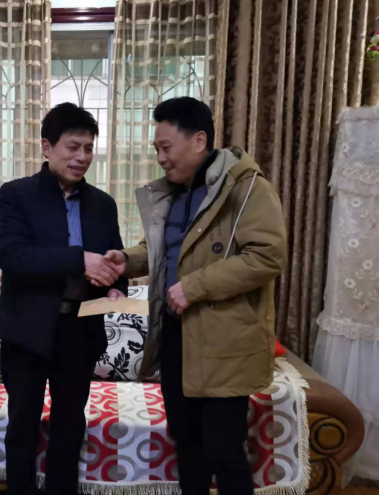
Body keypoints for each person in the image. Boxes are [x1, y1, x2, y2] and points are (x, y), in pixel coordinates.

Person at [103, 97, 288, 495]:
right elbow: (164, 250)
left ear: (199, 140)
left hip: (224, 342)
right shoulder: (176, 192)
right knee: (186, 443)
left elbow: (268, 256)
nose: (160, 159)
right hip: (176, 336)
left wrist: (195, 286)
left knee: (223, 450)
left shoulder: (247, 188)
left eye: (165, 147)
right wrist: (126, 260)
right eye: (156, 149)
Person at [0, 103, 128, 495]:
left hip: (79, 333)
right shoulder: (16, 195)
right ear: (47, 147)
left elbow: (114, 259)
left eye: (88, 148)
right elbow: (12, 256)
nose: (82, 157)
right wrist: (79, 259)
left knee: (69, 428)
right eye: (73, 147)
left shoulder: (103, 204)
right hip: (27, 333)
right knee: (22, 428)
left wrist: (116, 285)